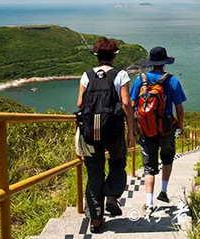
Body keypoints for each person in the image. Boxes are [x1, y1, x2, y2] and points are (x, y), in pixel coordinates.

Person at [77, 37, 135, 233]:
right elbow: (127, 104)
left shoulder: (86, 76)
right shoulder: (121, 75)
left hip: (91, 132)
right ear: (114, 56)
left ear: (96, 56)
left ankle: (95, 219)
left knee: (94, 173)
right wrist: (132, 132)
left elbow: (79, 104)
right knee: (118, 163)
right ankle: (111, 196)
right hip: (114, 130)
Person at [130, 46, 186, 214]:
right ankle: (163, 191)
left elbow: (132, 105)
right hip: (167, 128)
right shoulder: (172, 81)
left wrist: (133, 128)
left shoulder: (141, 79)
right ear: (164, 62)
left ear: (151, 62)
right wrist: (181, 125)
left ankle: (149, 202)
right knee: (167, 158)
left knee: (149, 167)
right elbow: (179, 107)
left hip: (146, 129)